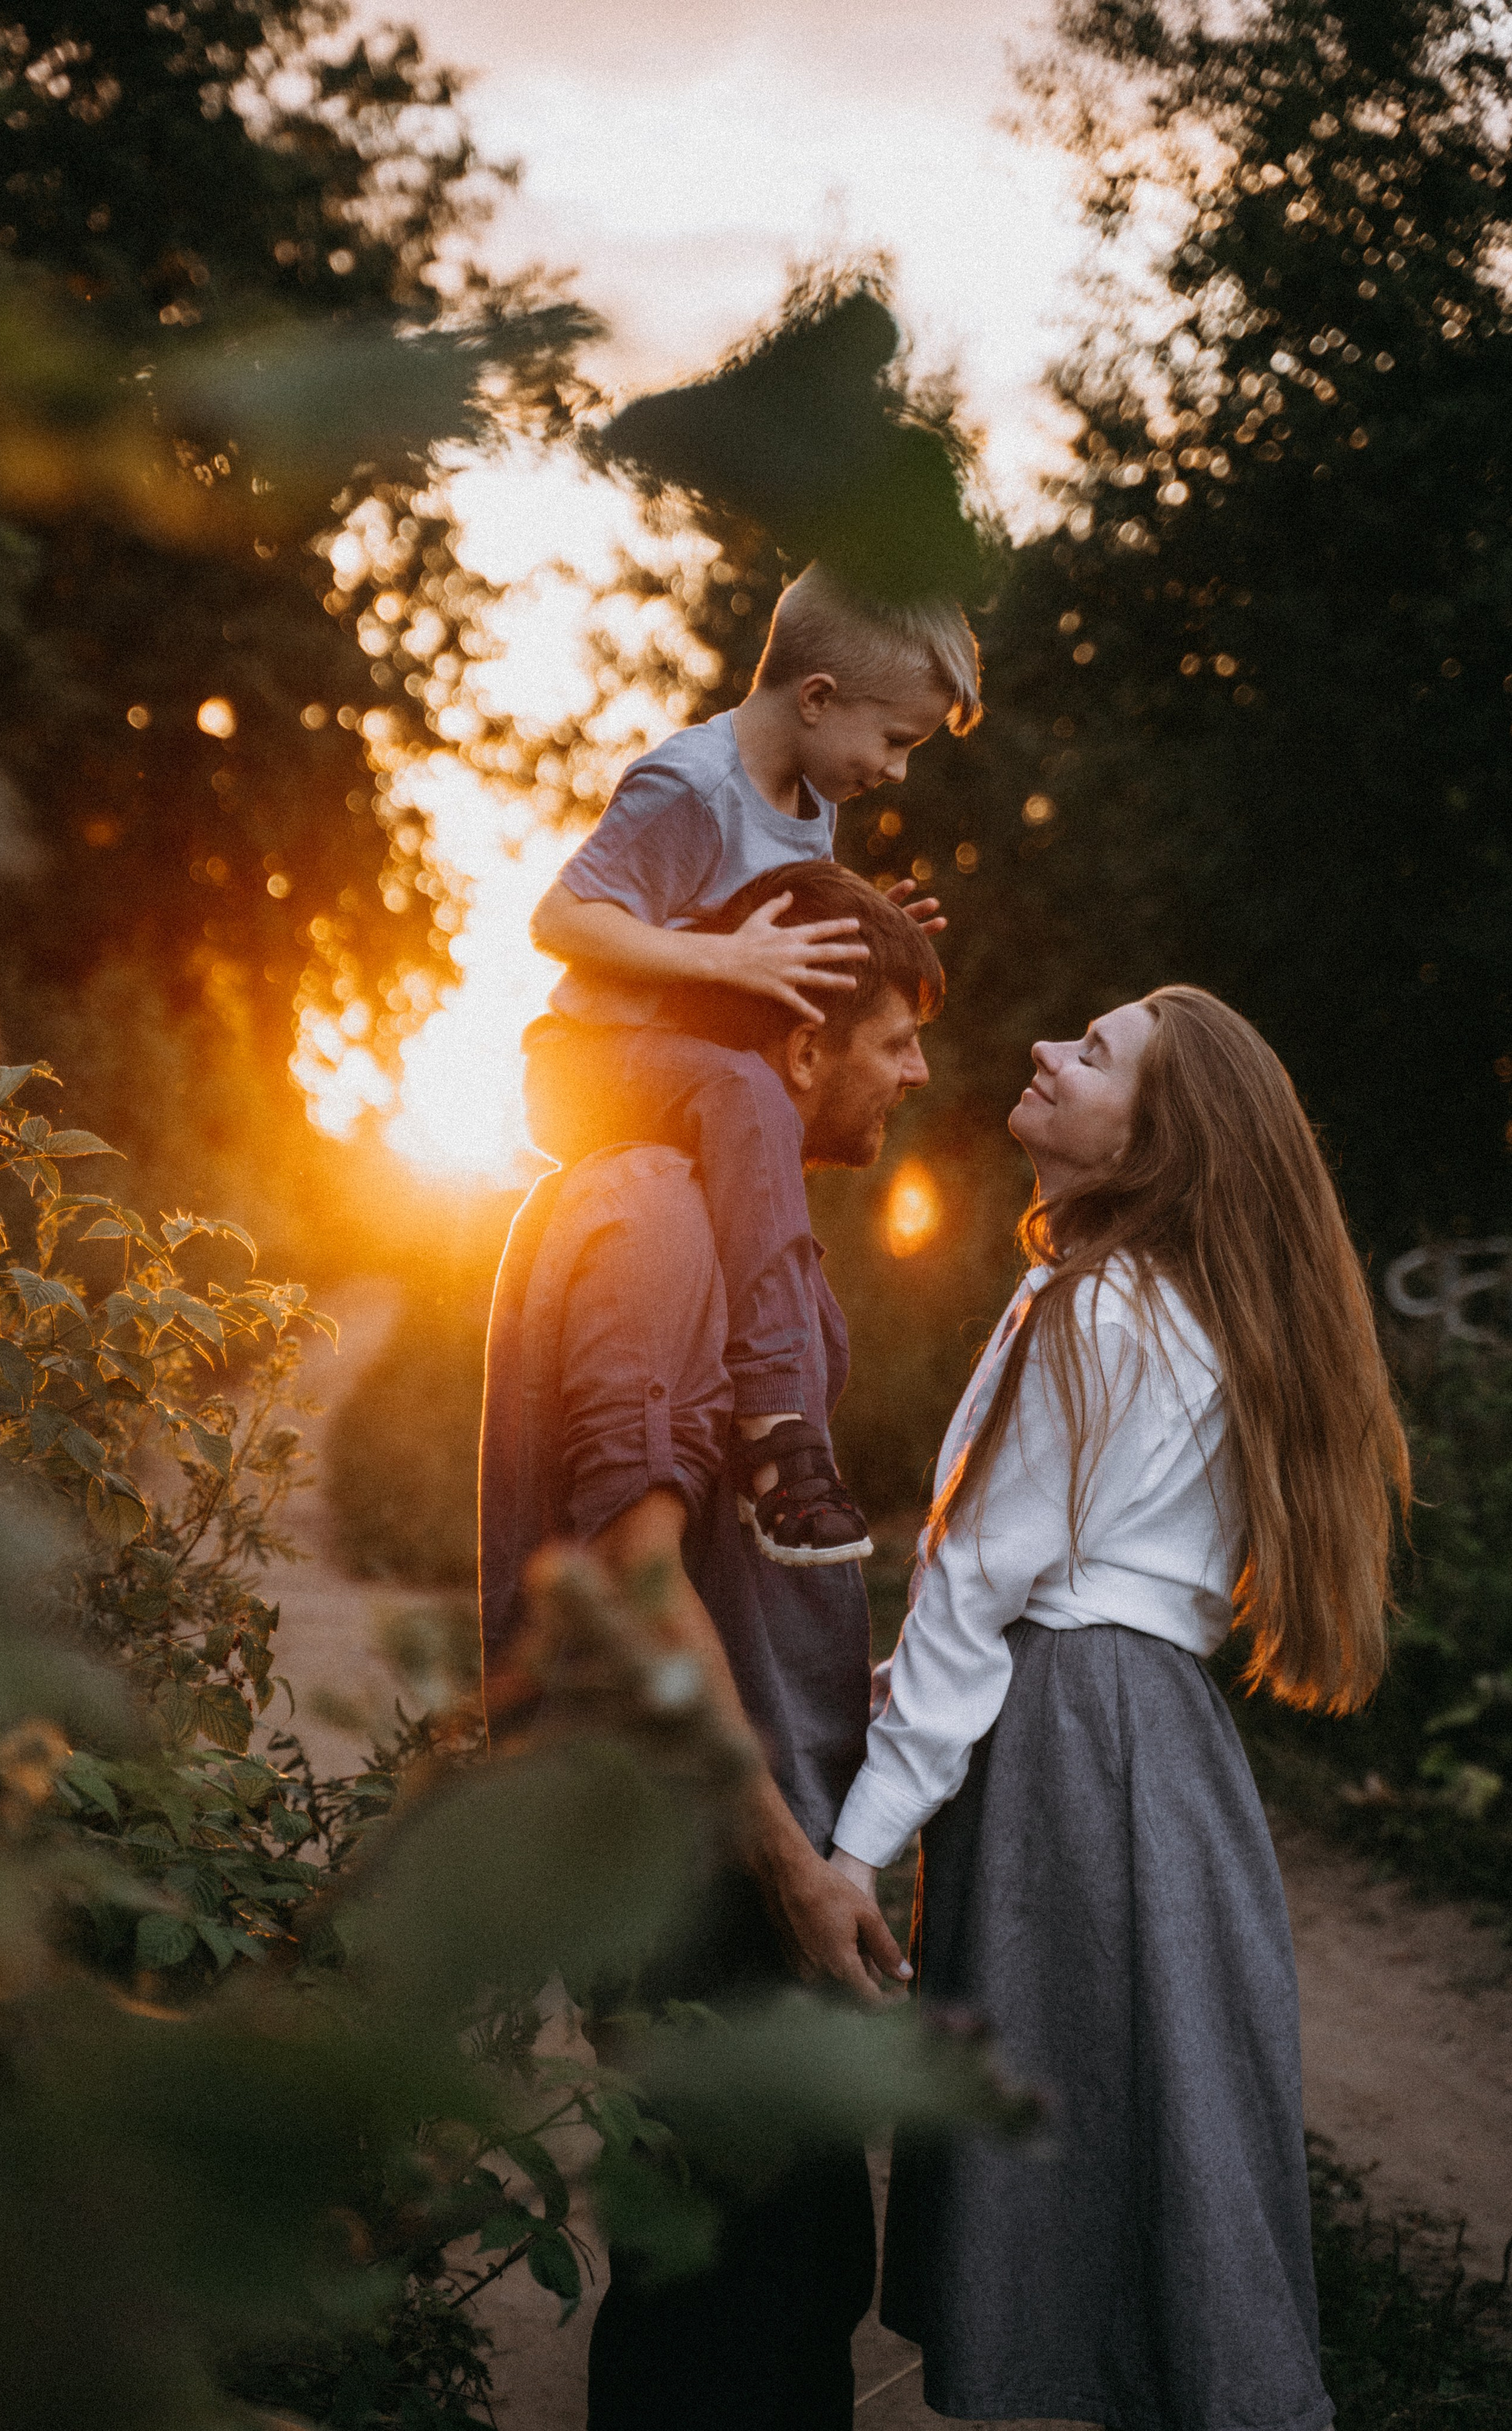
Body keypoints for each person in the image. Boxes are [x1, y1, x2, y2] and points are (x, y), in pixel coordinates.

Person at [827, 984, 1411, 2431]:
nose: (1042, 1050)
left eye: (1091, 1055)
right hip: (1146, 1736)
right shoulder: (1140, 1294)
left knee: (1112, 2116)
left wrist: (853, 1846)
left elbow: (976, 1589)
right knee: (1158, 2110)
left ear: (1159, 1140)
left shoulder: (1109, 1306)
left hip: (1078, 1741)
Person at [480, 864, 944, 2430]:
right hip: (698, 1876)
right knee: (735, 2321)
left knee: (785, 2282)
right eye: (892, 1039)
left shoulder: (688, 1205)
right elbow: (631, 1578)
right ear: (797, 1044)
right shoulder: (656, 1214)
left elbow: (729, 1575)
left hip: (724, 1854)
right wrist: (786, 1862)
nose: (919, 1072)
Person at [527, 561, 979, 1568]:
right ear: (817, 698)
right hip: (585, 1067)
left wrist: (864, 935)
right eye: (895, 740)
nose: (899, 770)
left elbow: (763, 935)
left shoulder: (808, 800)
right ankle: (775, 1434)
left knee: (757, 1107)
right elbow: (559, 917)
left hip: (684, 1065)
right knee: (745, 1090)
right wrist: (724, 959)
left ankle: (773, 1423)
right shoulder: (690, 784)